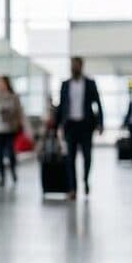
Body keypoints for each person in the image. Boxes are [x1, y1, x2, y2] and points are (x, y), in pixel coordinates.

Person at [53, 57, 104, 199]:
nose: (73, 67)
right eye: (72, 65)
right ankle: (73, 189)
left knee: (87, 156)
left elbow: (98, 104)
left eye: (76, 65)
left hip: (86, 126)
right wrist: (56, 126)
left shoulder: (90, 83)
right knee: (70, 158)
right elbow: (61, 106)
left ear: (81, 66)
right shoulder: (65, 84)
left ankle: (85, 180)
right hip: (70, 126)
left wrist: (101, 123)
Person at [0, 75, 25, 188]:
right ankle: (2, 177)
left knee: (10, 152)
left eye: (2, 82)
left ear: (7, 83)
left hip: (10, 129)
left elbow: (20, 113)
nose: (0, 85)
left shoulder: (14, 97)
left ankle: (13, 171)